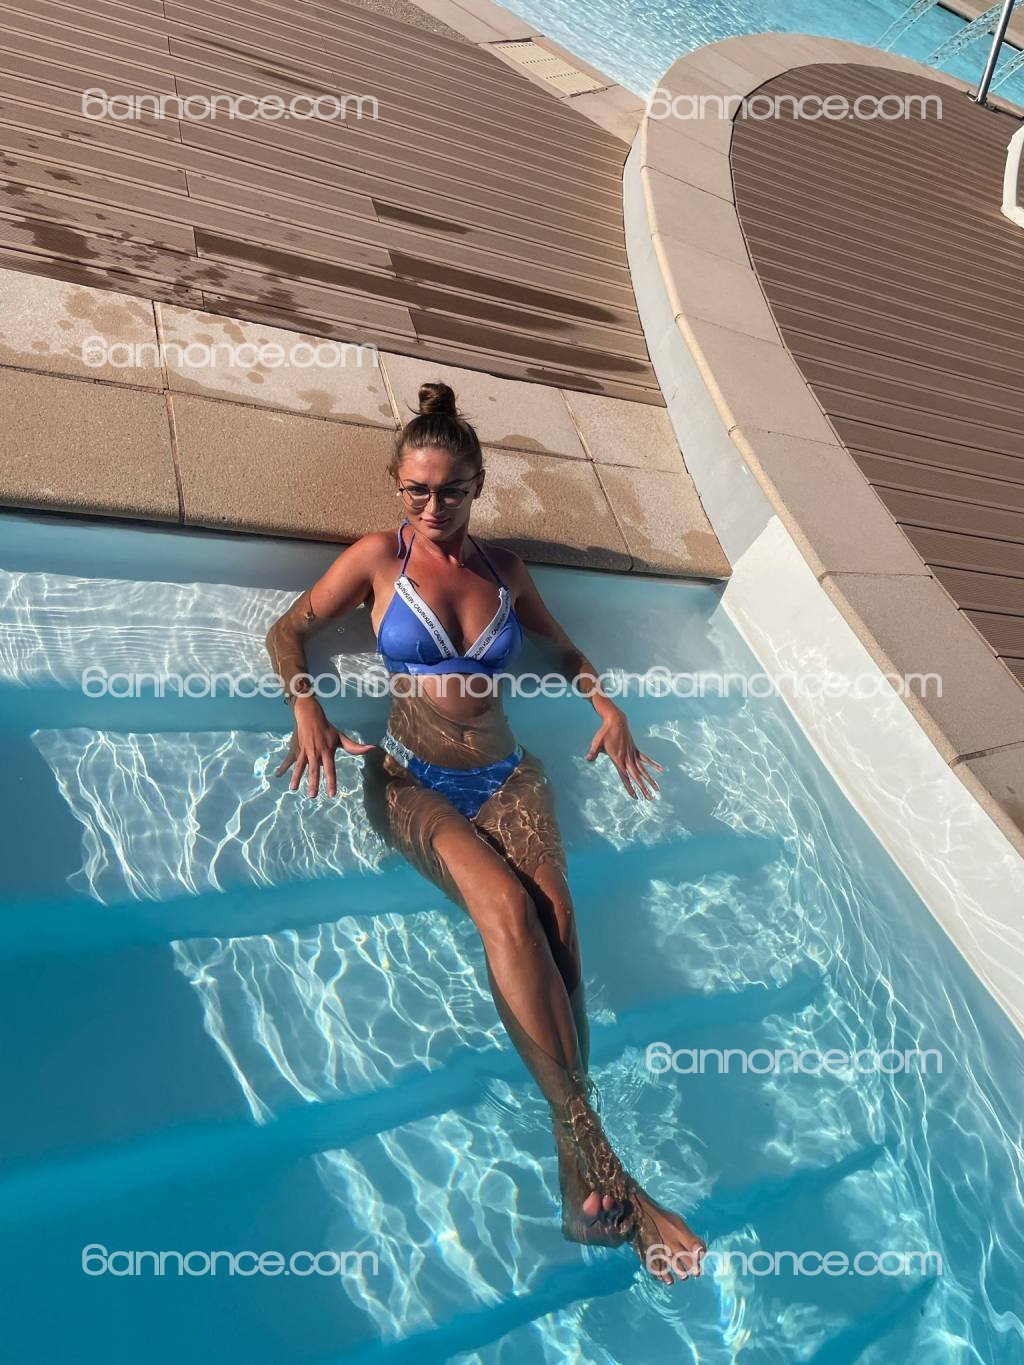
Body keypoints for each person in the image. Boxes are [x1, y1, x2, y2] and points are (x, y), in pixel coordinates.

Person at [265, 381, 705, 1284]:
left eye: (451, 491)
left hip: (508, 777)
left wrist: (606, 703)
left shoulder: (506, 572)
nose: (432, 508)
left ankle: (579, 1180)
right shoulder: (377, 559)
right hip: (410, 780)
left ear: (478, 485)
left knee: (560, 928)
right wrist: (305, 707)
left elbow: (561, 648)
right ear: (398, 484)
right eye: (416, 491)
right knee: (505, 909)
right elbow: (289, 631)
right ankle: (615, 1175)